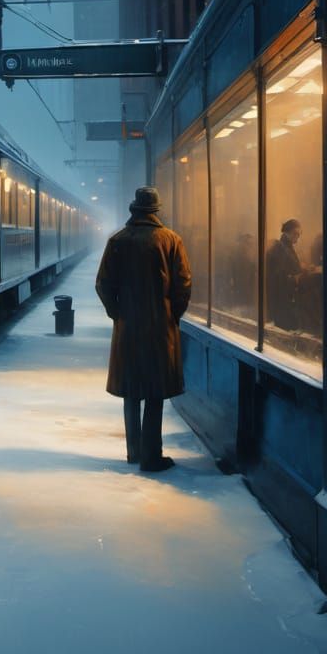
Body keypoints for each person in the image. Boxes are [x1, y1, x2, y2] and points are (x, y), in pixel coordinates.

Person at [96, 186, 192, 472]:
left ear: (134, 209)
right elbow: (183, 283)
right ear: (156, 211)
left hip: (128, 327)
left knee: (131, 392)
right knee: (154, 391)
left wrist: (118, 313)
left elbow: (103, 283)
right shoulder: (170, 240)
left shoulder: (117, 241)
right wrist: (172, 314)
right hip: (159, 329)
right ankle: (153, 456)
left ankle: (133, 452)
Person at [265, 219, 305, 331]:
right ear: (286, 232)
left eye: (299, 234)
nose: (297, 237)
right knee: (285, 326)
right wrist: (294, 278)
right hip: (283, 296)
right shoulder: (280, 248)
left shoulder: (286, 247)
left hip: (286, 295)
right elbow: (278, 275)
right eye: (295, 233)